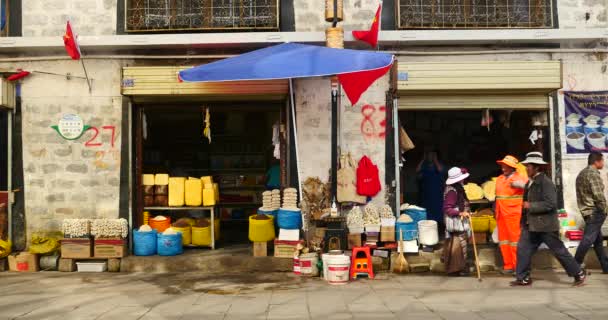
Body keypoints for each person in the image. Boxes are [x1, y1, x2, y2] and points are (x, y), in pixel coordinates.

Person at [511, 152, 586, 287]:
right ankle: (523, 277)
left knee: (559, 251)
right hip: (531, 225)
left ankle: (578, 272)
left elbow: (551, 203)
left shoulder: (546, 182)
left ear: (536, 167)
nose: (526, 168)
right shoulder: (530, 182)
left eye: (528, 166)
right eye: (526, 166)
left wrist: (531, 206)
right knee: (523, 249)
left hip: (546, 226)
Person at [574, 151, 608, 273]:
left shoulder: (581, 174)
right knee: (588, 240)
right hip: (595, 212)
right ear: (597, 161)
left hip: (587, 211)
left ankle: (605, 266)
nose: (603, 163)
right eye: (602, 160)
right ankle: (575, 265)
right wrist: (605, 209)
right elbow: (598, 195)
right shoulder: (593, 174)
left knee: (598, 242)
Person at [495, 155, 528, 275]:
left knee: (515, 241)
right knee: (504, 241)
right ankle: (508, 265)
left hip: (514, 214)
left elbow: (529, 187)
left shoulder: (520, 178)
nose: (503, 168)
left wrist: (519, 184)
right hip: (501, 214)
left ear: (512, 167)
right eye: (503, 165)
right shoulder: (499, 178)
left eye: (506, 166)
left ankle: (518, 267)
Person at [442, 167, 472, 276]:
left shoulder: (458, 188)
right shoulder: (452, 191)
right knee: (457, 245)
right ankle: (456, 268)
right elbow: (447, 208)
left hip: (459, 220)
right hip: (455, 222)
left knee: (459, 244)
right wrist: (460, 213)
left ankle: (459, 268)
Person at [416, 149, 446, 225]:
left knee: (437, 208)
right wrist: (423, 159)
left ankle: (439, 224)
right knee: (427, 209)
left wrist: (435, 160)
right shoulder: (424, 165)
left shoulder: (439, 164)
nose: (430, 157)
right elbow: (417, 171)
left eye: (432, 155)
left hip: (437, 192)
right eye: (429, 155)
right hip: (426, 192)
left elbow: (440, 170)